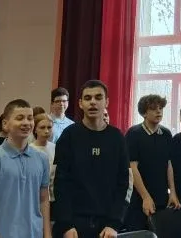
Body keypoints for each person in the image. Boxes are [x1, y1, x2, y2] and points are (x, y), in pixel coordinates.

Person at [53, 80, 130, 238]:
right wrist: (66, 224)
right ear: (80, 104)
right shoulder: (69, 136)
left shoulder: (117, 138)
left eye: (98, 97)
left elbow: (124, 183)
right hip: (73, 227)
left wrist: (114, 223)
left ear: (106, 102)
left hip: (107, 228)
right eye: (88, 98)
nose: (93, 102)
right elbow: (59, 183)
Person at [0, 99, 51, 238]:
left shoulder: (42, 159)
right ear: (5, 124)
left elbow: (44, 200)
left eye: (30, 118)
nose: (26, 123)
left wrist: (47, 235)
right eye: (20, 118)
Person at [125, 94, 180, 231]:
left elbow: (169, 164)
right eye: (154, 109)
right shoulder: (134, 133)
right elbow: (132, 167)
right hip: (139, 199)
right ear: (144, 113)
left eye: (160, 108)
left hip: (161, 198)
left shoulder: (166, 134)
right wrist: (146, 197)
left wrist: (173, 192)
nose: (158, 111)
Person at [30, 113, 56, 204]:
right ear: (35, 129)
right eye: (42, 127)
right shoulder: (30, 150)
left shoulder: (55, 148)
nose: (46, 131)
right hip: (35, 197)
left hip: (53, 197)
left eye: (49, 127)